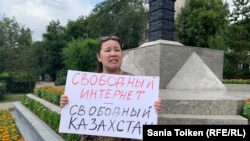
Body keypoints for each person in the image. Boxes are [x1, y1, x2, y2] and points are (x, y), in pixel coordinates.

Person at [60, 35, 163, 141]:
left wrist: (153, 107)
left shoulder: (137, 85)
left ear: (121, 54)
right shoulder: (85, 84)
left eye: (117, 50)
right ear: (99, 57)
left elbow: (143, 121)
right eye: (108, 50)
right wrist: (67, 103)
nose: (113, 54)